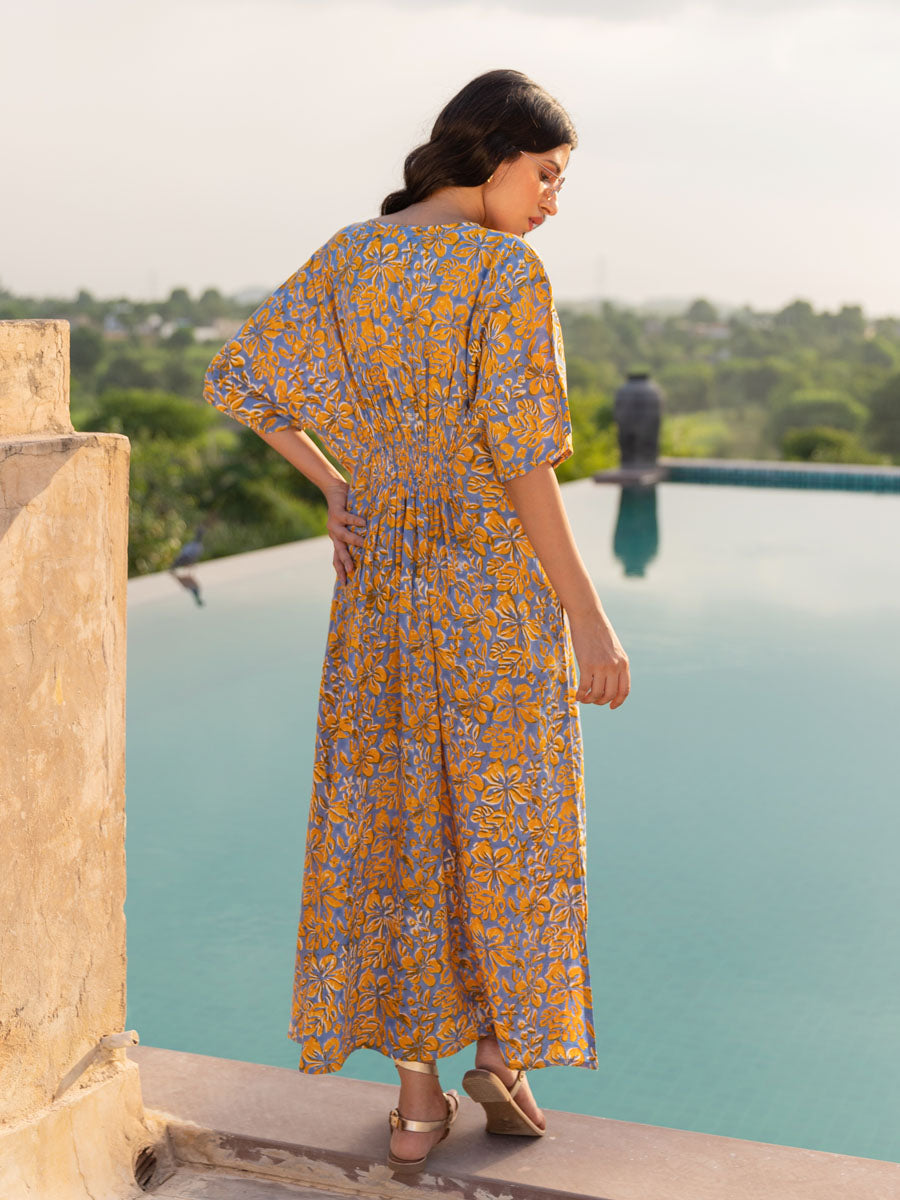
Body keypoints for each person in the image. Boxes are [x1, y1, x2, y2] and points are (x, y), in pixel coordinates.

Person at [202, 67, 631, 1175]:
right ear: (495, 155)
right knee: (508, 819)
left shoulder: (353, 256)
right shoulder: (504, 270)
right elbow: (526, 462)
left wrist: (337, 484)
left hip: (382, 582)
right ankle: (502, 1050)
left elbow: (241, 378)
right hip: (490, 584)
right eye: (547, 175)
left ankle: (415, 1100)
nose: (553, 200)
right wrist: (589, 617)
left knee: (392, 820)